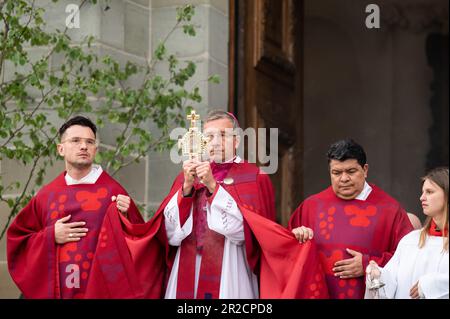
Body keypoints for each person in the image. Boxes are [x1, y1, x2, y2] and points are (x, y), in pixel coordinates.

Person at [115, 109, 329, 299]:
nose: (216, 142)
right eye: (209, 136)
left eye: (223, 135)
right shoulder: (185, 177)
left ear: (236, 141)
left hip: (231, 267)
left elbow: (245, 232)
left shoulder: (254, 177)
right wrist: (186, 191)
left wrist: (212, 186)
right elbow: (169, 234)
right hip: (187, 267)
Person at [7, 116, 144, 298]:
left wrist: (126, 218)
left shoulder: (115, 194)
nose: (83, 146)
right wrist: (50, 236)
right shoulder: (46, 196)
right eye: (76, 140)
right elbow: (18, 241)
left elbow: (141, 245)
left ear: (95, 149)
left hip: (100, 290)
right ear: (60, 149)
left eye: (89, 142)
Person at [289, 138, 414, 299]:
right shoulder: (311, 206)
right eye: (337, 172)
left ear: (365, 170)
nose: (344, 178)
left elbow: (409, 258)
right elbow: (286, 252)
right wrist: (296, 236)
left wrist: (368, 264)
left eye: (351, 171)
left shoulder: (390, 210)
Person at [365, 167, 449, 299]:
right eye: (422, 192)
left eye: (430, 192)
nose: (422, 198)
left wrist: (432, 285)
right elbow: (393, 282)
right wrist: (377, 276)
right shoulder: (410, 241)